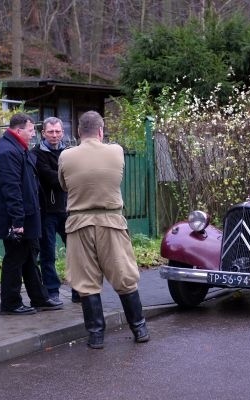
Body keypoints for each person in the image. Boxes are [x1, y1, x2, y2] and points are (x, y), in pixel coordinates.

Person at [58, 110, 149, 349]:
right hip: (111, 222)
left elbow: (63, 184)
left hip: (79, 224)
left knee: (86, 282)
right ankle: (139, 329)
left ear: (78, 132)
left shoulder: (66, 156)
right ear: (101, 130)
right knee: (124, 276)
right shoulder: (116, 151)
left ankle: (96, 336)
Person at [0, 112, 63, 315]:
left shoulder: (17, 149)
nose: (33, 135)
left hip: (28, 217)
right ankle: (10, 304)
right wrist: (18, 221)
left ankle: (39, 298)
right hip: (18, 220)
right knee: (15, 259)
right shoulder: (7, 152)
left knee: (29, 257)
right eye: (30, 131)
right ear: (19, 130)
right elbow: (11, 190)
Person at [31, 117, 80, 303]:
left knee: (76, 252)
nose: (54, 135)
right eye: (50, 132)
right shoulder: (36, 154)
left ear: (62, 132)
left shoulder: (69, 152)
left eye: (58, 131)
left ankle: (78, 291)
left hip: (69, 210)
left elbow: (68, 177)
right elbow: (52, 178)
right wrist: (69, 177)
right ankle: (52, 292)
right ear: (43, 133)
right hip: (46, 212)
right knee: (48, 254)